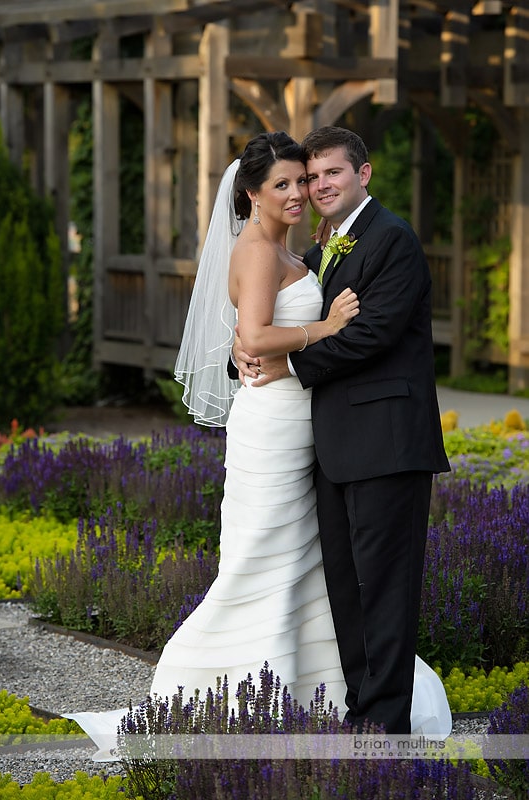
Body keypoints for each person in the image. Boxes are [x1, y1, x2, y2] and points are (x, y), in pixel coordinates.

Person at [64, 131, 364, 759]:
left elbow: (254, 340)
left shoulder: (292, 251)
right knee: (260, 556)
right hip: (273, 427)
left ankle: (304, 690)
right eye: (280, 184)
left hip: (297, 417)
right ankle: (208, 690)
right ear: (251, 193)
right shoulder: (258, 252)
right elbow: (255, 333)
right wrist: (327, 325)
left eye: (300, 182)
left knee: (298, 558)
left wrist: (282, 341)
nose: (297, 194)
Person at [233, 126, 451, 735]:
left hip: (387, 443)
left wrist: (288, 362)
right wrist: (242, 350)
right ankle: (359, 707)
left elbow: (372, 334)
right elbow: (281, 316)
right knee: (345, 589)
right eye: (310, 176)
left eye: (331, 172)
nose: (317, 185)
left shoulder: (392, 240)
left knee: (385, 587)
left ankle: (384, 723)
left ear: (364, 174)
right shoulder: (323, 244)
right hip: (330, 446)